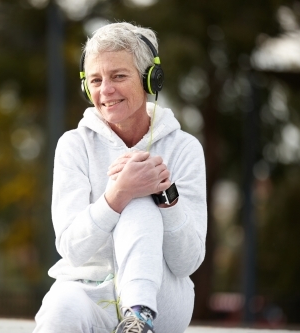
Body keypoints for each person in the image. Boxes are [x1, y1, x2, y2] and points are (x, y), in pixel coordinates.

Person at [33, 22, 207, 333]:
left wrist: (164, 191)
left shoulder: (185, 148)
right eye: (96, 80)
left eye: (119, 76)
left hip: (162, 299)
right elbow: (72, 250)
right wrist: (117, 194)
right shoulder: (74, 145)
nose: (105, 90)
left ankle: (138, 316)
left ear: (149, 80)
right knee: (59, 310)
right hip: (89, 291)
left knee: (141, 202)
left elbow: (187, 263)